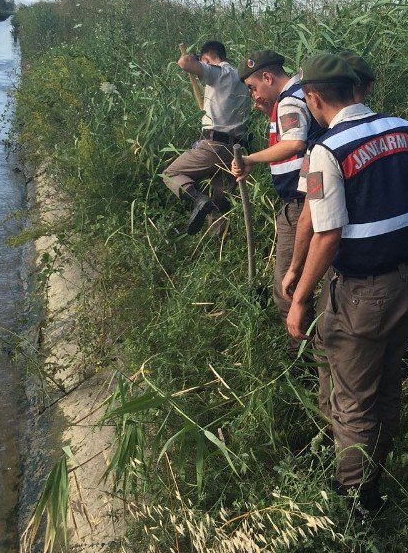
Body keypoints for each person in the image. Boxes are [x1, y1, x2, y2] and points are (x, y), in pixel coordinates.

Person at [288, 53, 408, 517]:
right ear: (354, 88)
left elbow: (326, 234)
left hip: (361, 295)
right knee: (387, 385)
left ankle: (358, 499)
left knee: (352, 401)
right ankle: (378, 468)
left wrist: (299, 298)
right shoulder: (403, 130)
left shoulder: (325, 151)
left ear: (313, 98)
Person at [281, 51, 377, 422]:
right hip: (397, 277)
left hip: (352, 282)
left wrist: (299, 289)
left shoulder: (324, 146)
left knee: (338, 370)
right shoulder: (400, 129)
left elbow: (321, 227)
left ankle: (339, 449)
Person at [230, 50, 324, 358]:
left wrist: (249, 159)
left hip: (300, 203)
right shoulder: (297, 95)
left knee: (287, 284)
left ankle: (301, 358)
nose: (254, 94)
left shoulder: (290, 100)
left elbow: (295, 143)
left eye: (254, 87)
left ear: (268, 77)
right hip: (307, 198)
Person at [162, 40, 250, 234]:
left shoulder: (218, 72)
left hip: (214, 145)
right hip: (235, 150)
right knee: (219, 203)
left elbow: (184, 63)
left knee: (171, 174)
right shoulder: (242, 79)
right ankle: (220, 243)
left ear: (206, 59)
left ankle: (197, 199)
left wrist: (192, 60)